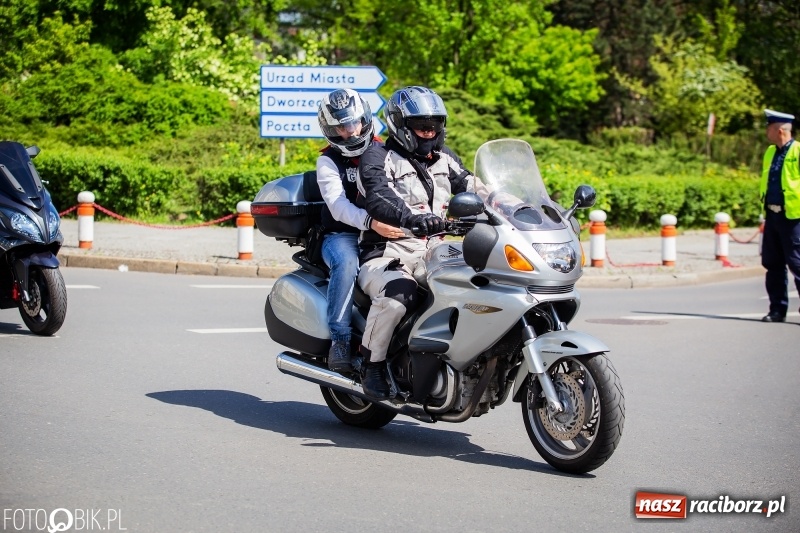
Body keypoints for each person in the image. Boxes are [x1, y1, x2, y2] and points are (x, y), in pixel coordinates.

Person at [355, 86, 473, 398]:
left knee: (477, 282)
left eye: (435, 126)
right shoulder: (377, 156)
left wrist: (521, 208)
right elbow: (379, 196)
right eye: (423, 126)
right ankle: (373, 365)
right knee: (398, 295)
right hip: (388, 253)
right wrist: (411, 218)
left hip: (435, 251)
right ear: (401, 126)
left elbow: (477, 187)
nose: (430, 132)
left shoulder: (445, 158)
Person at [315, 88, 405, 372]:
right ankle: (340, 339)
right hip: (341, 235)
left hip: (383, 231)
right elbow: (337, 206)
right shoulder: (328, 160)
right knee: (348, 262)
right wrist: (370, 222)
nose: (351, 132)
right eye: (341, 127)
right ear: (331, 129)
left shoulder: (387, 151)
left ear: (365, 119)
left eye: (354, 123)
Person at [759, 109, 800, 323]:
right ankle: (777, 309)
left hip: (794, 218)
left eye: (769, 127)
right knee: (772, 263)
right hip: (773, 215)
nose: (766, 131)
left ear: (779, 130)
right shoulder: (770, 152)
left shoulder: (798, 151)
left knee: (797, 263)